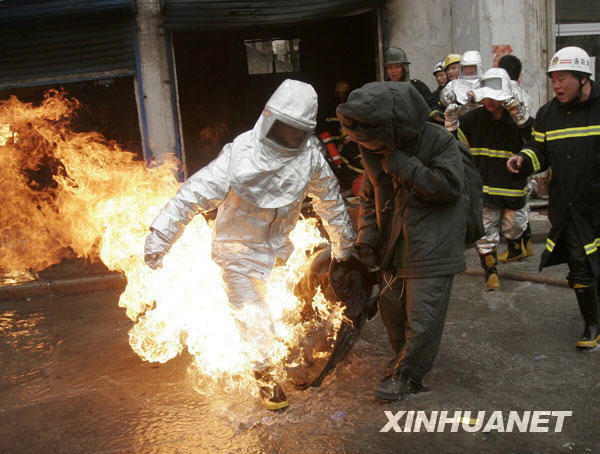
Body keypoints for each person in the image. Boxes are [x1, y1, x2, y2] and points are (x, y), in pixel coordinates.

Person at [143, 79, 356, 409]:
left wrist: (344, 248)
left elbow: (331, 202)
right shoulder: (240, 155)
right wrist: (160, 237)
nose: (290, 138)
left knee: (285, 306)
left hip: (278, 252)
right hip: (236, 252)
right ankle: (266, 378)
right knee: (254, 316)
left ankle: (283, 352)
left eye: (297, 132)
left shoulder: (310, 160)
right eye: (284, 129)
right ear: (269, 119)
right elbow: (191, 197)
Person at [336, 82, 468, 400]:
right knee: (392, 309)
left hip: (432, 245)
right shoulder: (373, 150)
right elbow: (368, 198)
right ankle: (403, 361)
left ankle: (408, 378)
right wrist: (367, 239)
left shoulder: (438, 141)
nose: (370, 150)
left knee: (423, 316)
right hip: (393, 247)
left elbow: (449, 187)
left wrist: (404, 166)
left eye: (374, 143)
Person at [507, 46, 600, 349]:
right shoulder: (547, 115)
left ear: (584, 79)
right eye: (554, 79)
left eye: (563, 79)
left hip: (597, 204)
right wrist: (524, 159)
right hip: (569, 207)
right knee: (578, 263)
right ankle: (592, 325)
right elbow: (539, 151)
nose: (557, 85)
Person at [456, 68, 532, 290]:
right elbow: (454, 144)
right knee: (485, 235)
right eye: (486, 95)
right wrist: (450, 121)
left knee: (514, 227)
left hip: (512, 190)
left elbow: (536, 142)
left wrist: (521, 119)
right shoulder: (471, 120)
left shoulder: (518, 122)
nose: (489, 100)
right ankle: (491, 272)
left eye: (494, 96)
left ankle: (517, 244)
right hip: (484, 190)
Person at [318, 81, 365, 195]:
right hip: (340, 145)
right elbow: (331, 129)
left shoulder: (355, 108)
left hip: (352, 144)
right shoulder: (332, 109)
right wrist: (337, 145)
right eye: (339, 93)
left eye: (344, 93)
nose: (341, 95)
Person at [442, 50, 484, 132]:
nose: (468, 70)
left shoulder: (485, 82)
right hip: (460, 125)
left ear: (478, 67)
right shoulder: (453, 84)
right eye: (465, 67)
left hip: (483, 125)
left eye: (471, 67)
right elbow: (445, 99)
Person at [429, 61, 449, 125]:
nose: (439, 78)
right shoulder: (433, 95)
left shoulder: (456, 90)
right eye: (437, 76)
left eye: (441, 75)